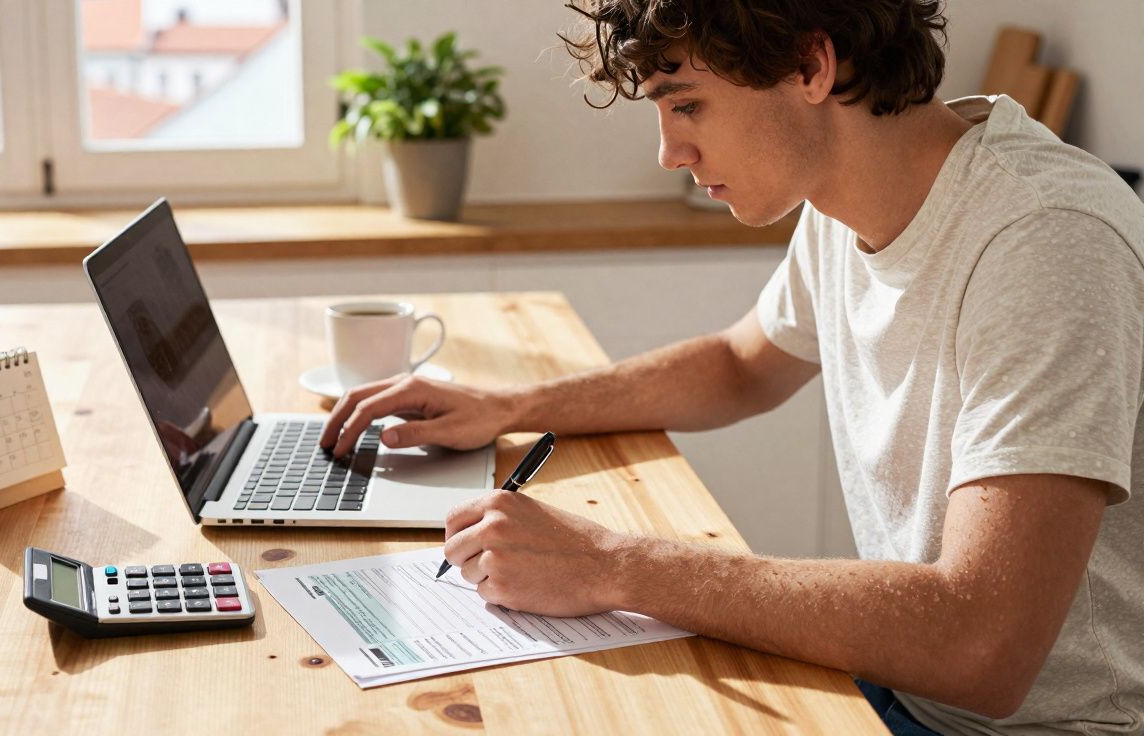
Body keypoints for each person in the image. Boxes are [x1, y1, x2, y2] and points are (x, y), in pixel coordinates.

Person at [319, 2, 1144, 733]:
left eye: (686, 104)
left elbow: (981, 644)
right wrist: (508, 405)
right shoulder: (844, 196)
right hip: (897, 690)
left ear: (811, 66)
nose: (669, 151)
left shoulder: (1045, 239)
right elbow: (741, 365)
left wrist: (611, 563)